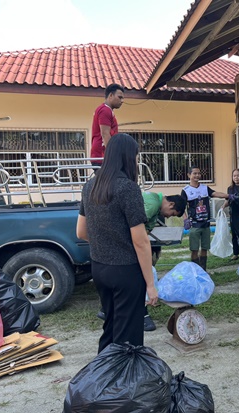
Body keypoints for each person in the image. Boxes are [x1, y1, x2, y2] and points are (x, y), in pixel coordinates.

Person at [76, 133, 157, 353]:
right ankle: (121, 374)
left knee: (110, 328)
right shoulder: (127, 188)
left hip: (99, 268)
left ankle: (102, 370)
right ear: (128, 157)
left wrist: (107, 241)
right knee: (127, 338)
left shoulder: (90, 186)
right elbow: (140, 242)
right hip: (125, 272)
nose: (137, 162)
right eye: (136, 157)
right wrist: (150, 285)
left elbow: (81, 232)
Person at [97, 192, 187, 331]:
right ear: (171, 204)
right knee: (141, 276)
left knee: (128, 278)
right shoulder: (152, 205)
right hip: (126, 245)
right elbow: (134, 228)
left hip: (122, 244)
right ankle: (142, 315)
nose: (168, 216)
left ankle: (106, 310)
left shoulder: (154, 203)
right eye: (172, 214)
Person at [181, 166, 229, 271]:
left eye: (199, 173)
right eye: (194, 173)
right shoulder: (185, 191)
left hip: (206, 224)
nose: (197, 175)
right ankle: (195, 271)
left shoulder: (204, 188)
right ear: (189, 175)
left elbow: (215, 193)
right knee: (194, 249)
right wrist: (185, 219)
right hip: (194, 225)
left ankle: (203, 271)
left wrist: (228, 196)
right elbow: (181, 207)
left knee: (204, 248)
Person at [90, 83, 125, 167]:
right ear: (111, 95)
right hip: (103, 156)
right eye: (119, 97)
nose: (122, 101)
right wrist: (113, 156)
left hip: (102, 156)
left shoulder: (106, 110)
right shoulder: (105, 110)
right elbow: (105, 134)